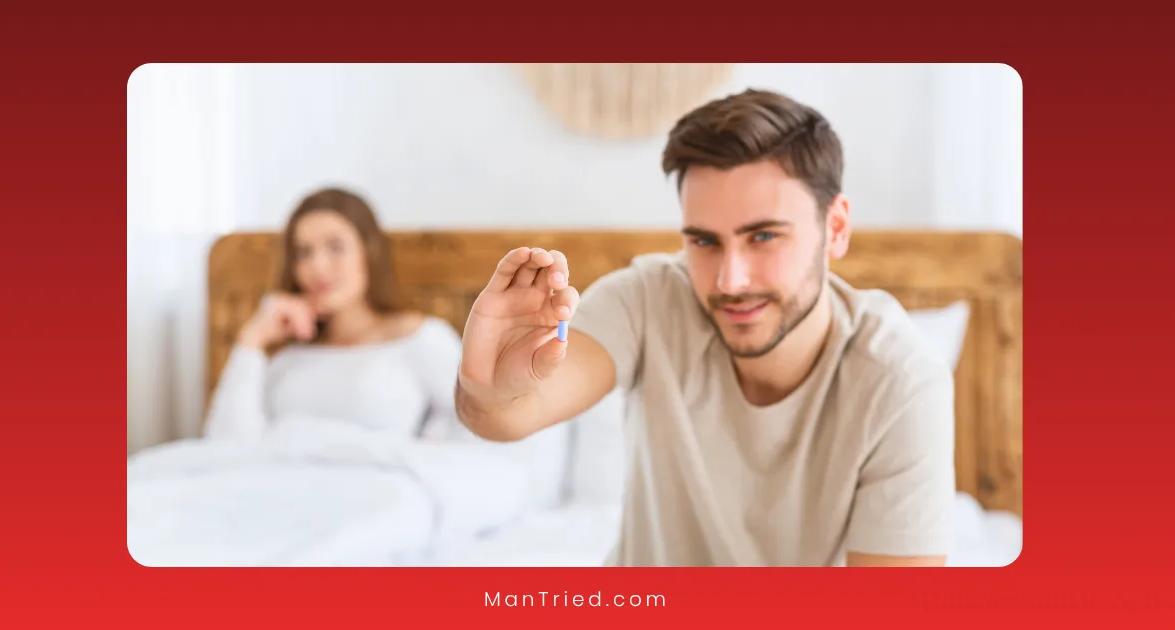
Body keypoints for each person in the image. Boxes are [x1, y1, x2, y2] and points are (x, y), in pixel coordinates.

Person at [454, 89, 956, 567]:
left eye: (764, 236)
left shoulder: (900, 380)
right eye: (705, 242)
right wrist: (488, 386)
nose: (729, 281)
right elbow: (511, 414)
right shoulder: (647, 299)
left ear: (836, 228)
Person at [204, 187, 466, 442]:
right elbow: (227, 446)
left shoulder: (420, 339)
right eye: (304, 252)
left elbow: (471, 429)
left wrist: (427, 446)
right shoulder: (287, 358)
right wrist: (251, 341)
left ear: (369, 252)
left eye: (336, 247)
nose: (317, 266)